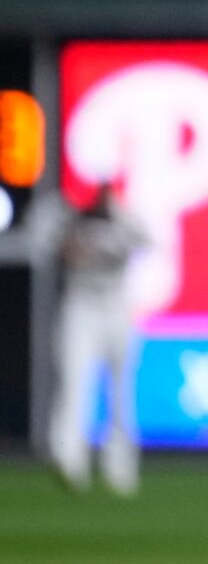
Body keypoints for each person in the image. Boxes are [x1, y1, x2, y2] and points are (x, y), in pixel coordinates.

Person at [34, 186, 152, 496]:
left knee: (120, 391)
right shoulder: (66, 216)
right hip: (80, 304)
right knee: (74, 385)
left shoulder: (123, 218)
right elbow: (39, 241)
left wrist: (115, 218)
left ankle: (120, 468)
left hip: (117, 306)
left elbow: (148, 241)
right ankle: (69, 460)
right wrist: (65, 237)